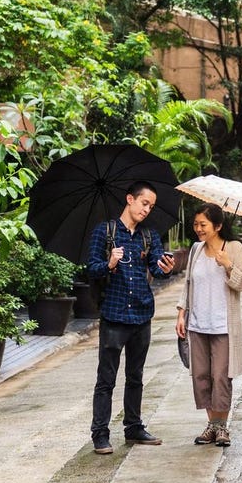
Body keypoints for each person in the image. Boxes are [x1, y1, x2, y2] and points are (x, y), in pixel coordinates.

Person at [87, 180, 176, 455]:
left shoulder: (150, 237)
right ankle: (100, 434)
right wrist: (110, 264)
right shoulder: (105, 232)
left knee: (136, 376)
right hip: (114, 315)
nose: (147, 209)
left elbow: (158, 271)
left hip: (141, 314)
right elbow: (91, 270)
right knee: (106, 378)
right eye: (144, 203)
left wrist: (167, 268)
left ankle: (133, 427)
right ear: (130, 199)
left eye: (151, 205)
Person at [176, 203, 242, 447]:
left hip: (223, 326)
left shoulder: (234, 248)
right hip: (198, 325)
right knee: (201, 376)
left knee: (220, 376)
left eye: (203, 225)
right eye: (196, 224)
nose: (198, 229)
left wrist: (228, 265)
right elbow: (188, 284)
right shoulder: (196, 250)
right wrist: (181, 313)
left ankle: (221, 427)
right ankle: (212, 426)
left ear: (218, 226)